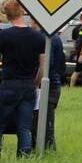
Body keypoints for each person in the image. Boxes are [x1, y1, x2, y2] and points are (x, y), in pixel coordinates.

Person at [0, 0, 45, 163]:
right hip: (28, 86)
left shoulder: (5, 35)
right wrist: (35, 82)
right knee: (24, 128)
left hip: (10, 84)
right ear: (22, 12)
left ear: (6, 15)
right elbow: (43, 65)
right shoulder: (37, 37)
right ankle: (23, 162)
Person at [30, 18, 66, 151]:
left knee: (42, 125)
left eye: (31, 22)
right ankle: (42, 151)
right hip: (55, 84)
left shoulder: (44, 39)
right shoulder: (55, 37)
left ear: (35, 21)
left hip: (46, 87)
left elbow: (45, 66)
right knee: (44, 123)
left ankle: (47, 153)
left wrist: (36, 84)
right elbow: (62, 64)